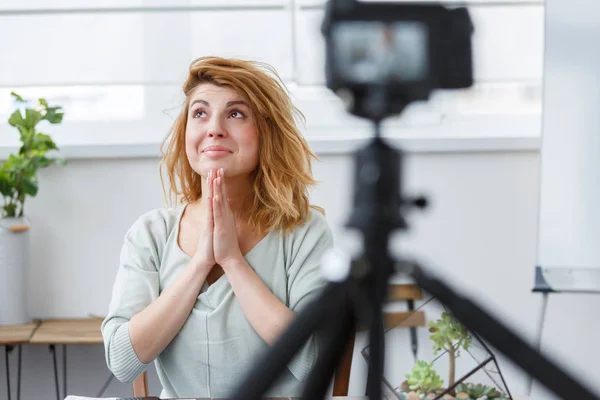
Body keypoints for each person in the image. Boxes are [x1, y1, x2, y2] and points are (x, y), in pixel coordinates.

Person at [101, 56, 334, 399]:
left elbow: (313, 360)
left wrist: (233, 261)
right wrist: (199, 264)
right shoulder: (151, 233)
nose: (214, 128)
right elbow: (123, 361)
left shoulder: (305, 231)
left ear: (266, 133)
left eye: (236, 113)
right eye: (200, 113)